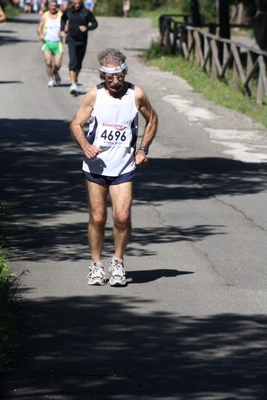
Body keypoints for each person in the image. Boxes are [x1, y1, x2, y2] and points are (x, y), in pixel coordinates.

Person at [70, 48, 158, 287]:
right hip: (95, 166)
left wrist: (143, 149)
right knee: (97, 218)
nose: (116, 82)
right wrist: (86, 145)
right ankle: (96, 266)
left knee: (122, 216)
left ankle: (117, 262)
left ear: (124, 72)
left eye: (119, 76)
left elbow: (152, 119)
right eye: (110, 78)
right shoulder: (93, 95)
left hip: (124, 167)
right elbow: (76, 124)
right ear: (103, 76)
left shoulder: (136, 94)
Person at [60, 0, 98, 96]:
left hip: (82, 41)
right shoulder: (68, 11)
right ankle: (73, 84)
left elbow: (95, 23)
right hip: (71, 39)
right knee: (73, 61)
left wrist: (87, 28)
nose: (77, 5)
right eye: (75, 4)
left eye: (78, 4)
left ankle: (75, 79)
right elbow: (63, 19)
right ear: (72, 3)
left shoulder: (86, 12)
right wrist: (62, 30)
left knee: (79, 63)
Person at [37, 0, 64, 87]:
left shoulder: (61, 15)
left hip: (58, 43)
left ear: (57, 6)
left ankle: (55, 71)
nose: (53, 7)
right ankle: (51, 79)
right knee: (48, 62)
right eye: (51, 5)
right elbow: (39, 28)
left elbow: (66, 26)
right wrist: (40, 34)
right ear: (49, 6)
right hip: (47, 42)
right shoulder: (44, 16)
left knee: (57, 64)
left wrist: (63, 31)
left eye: (54, 6)